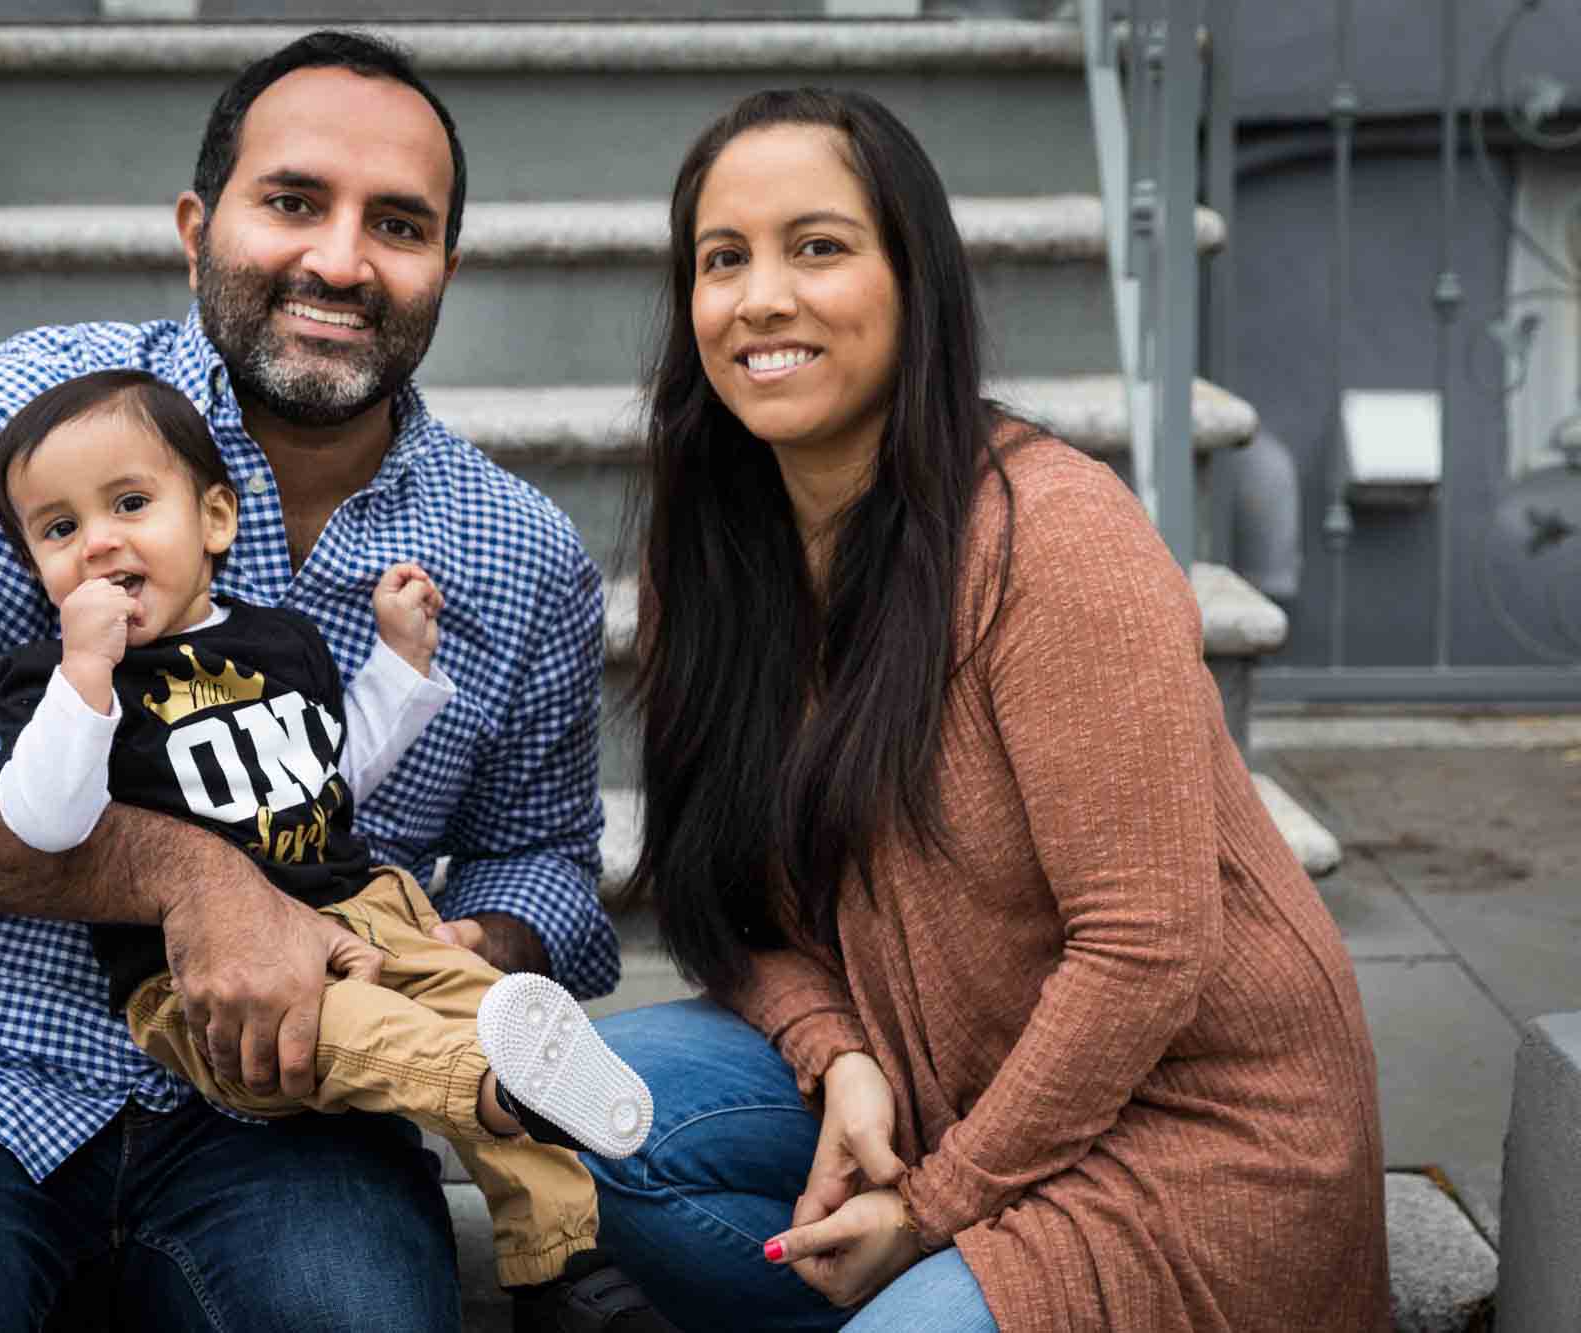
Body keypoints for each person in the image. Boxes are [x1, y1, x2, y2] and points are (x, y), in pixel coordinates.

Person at [0, 29, 669, 1332]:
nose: (340, 260)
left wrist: (474, 948)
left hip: (299, 1105)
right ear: (199, 225)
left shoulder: (519, 552)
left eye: (399, 225)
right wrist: (195, 880)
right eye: (293, 202)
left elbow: (539, 854)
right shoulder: (36, 424)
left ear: (446, 270)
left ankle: (539, 1193)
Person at [581, 88, 1391, 1333]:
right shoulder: (724, 552)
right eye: (721, 259)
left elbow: (1144, 946)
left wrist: (930, 1207)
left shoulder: (1050, 537)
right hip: (932, 1073)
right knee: (602, 1112)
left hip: (1189, 1135)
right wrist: (835, 1050)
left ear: (916, 282)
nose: (760, 300)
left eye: (817, 247)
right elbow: (727, 905)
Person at [0, 365, 652, 1293]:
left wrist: (400, 665)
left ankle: (565, 1262)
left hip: (371, 906)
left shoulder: (281, 641)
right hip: (201, 978)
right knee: (373, 1035)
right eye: (60, 530)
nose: (99, 544)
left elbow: (330, 773)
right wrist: (84, 670)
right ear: (37, 566)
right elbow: (44, 822)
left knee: (490, 1007)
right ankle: (501, 1089)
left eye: (131, 503)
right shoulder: (53, 684)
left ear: (214, 519)